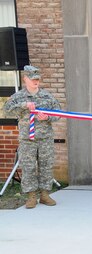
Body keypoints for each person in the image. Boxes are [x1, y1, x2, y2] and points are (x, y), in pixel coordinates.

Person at [3, 65, 60, 209]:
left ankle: (45, 195)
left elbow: (59, 114)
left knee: (46, 166)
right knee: (28, 168)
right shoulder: (18, 97)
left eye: (38, 79)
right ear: (25, 79)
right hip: (27, 139)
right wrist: (24, 105)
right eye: (33, 79)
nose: (36, 82)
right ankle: (31, 196)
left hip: (45, 138)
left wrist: (47, 117)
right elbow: (6, 111)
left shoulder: (47, 96)